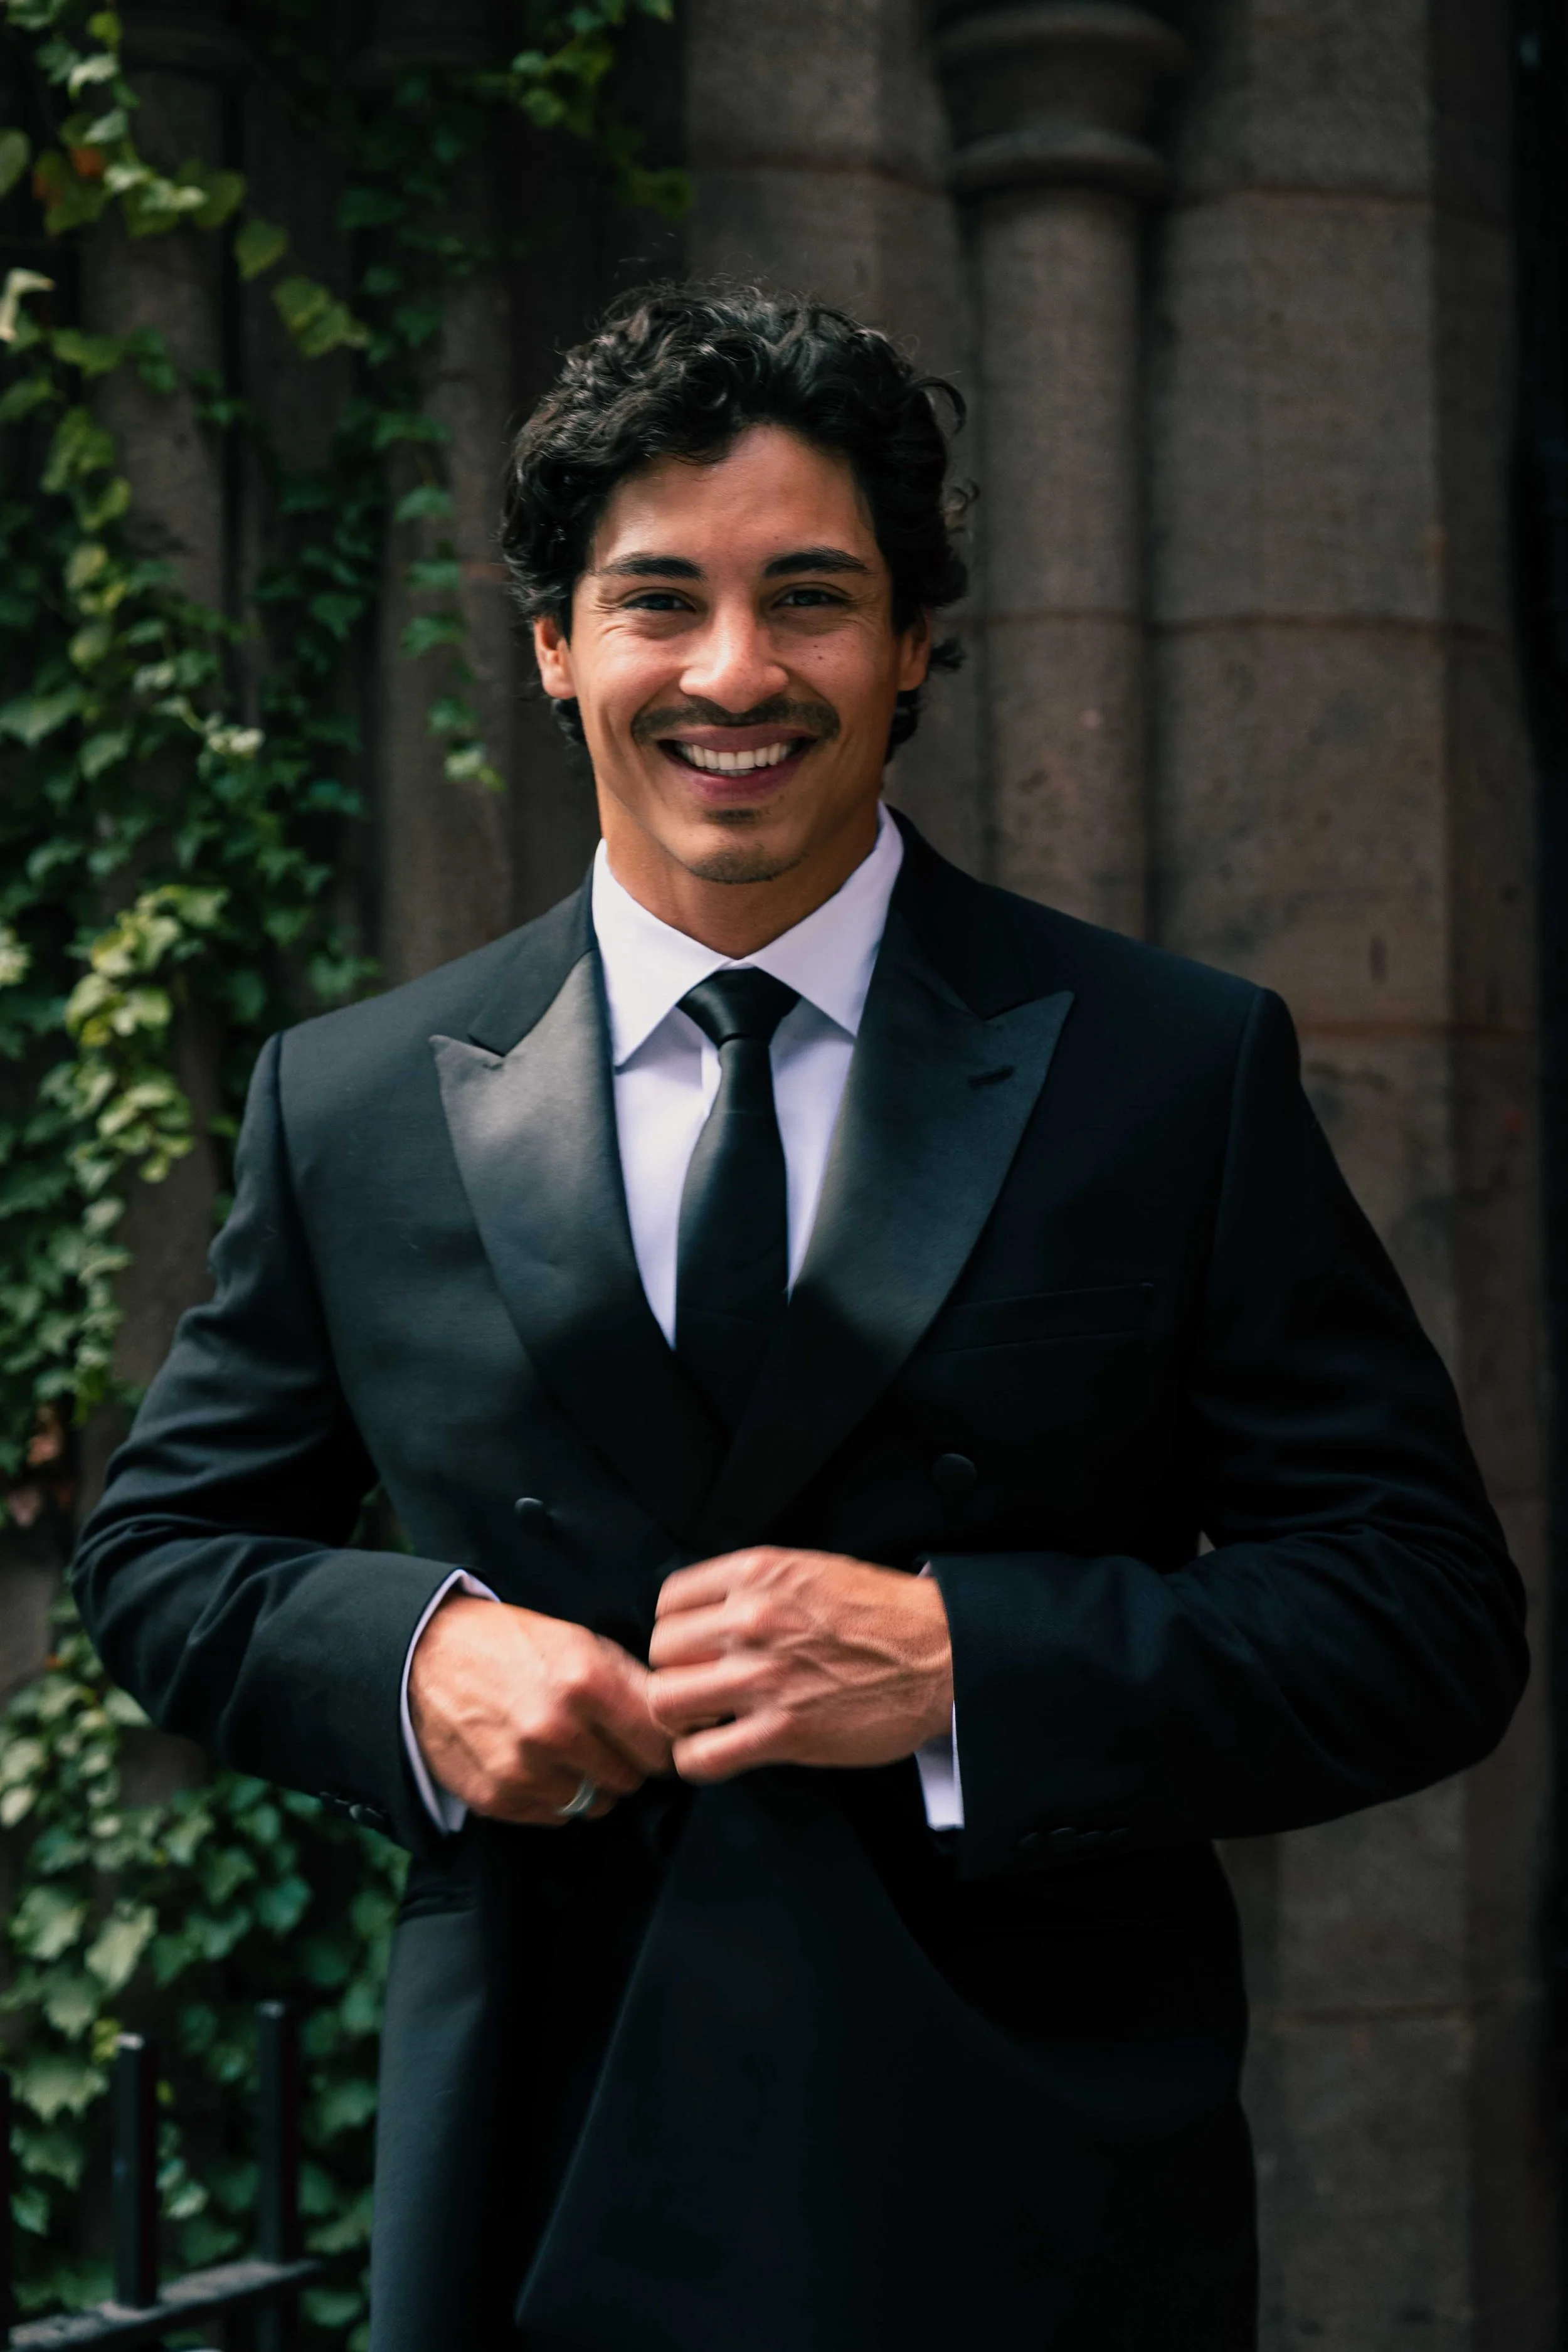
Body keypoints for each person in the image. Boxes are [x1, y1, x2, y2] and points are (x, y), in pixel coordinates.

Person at [73, 282, 1527, 2352]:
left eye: (812, 597)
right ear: (556, 641)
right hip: (538, 2175)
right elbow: (157, 1552)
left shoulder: (1164, 1068)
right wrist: (418, 1652)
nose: (734, 671)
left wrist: (962, 1659)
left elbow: (1421, 1613)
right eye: (659, 599)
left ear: (913, 643)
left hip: (1017, 2197)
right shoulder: (355, 1096)